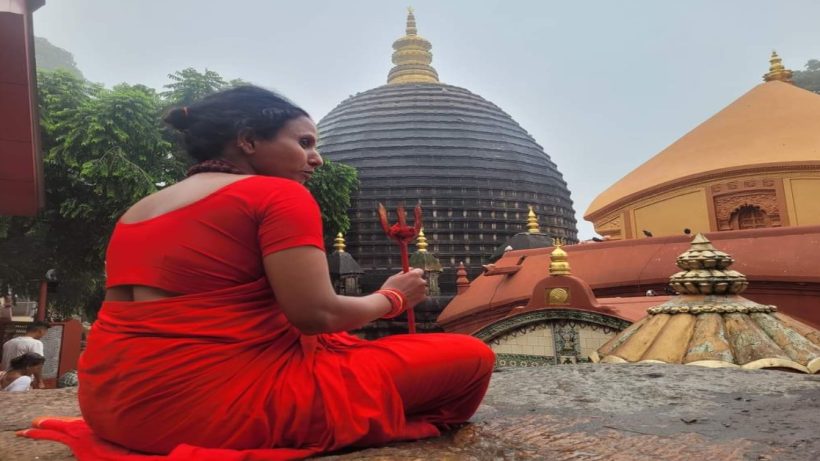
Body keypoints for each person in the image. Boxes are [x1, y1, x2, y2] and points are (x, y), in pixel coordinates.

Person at [23, 85, 494, 459]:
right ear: (248, 141)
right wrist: (393, 297)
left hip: (110, 407)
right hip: (207, 412)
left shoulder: (139, 209)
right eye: (304, 142)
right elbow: (316, 315)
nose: (317, 157)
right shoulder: (277, 195)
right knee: (470, 357)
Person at [2, 320, 49, 389]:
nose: (45, 334)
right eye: (45, 332)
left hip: (6, 380)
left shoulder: (8, 343)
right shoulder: (35, 343)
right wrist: (40, 382)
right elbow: (38, 364)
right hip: (21, 380)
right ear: (40, 331)